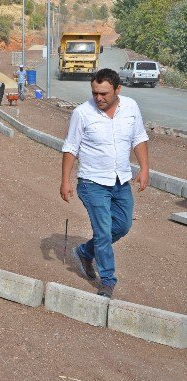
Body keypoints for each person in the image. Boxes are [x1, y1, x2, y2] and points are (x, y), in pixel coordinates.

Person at [60, 68, 150, 298]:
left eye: (104, 93)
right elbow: (71, 148)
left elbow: (139, 138)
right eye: (95, 93)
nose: (98, 98)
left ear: (117, 90)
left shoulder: (130, 108)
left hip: (121, 180)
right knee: (102, 232)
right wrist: (65, 181)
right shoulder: (82, 113)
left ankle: (84, 251)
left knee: (122, 226)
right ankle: (107, 281)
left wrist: (145, 168)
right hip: (92, 182)